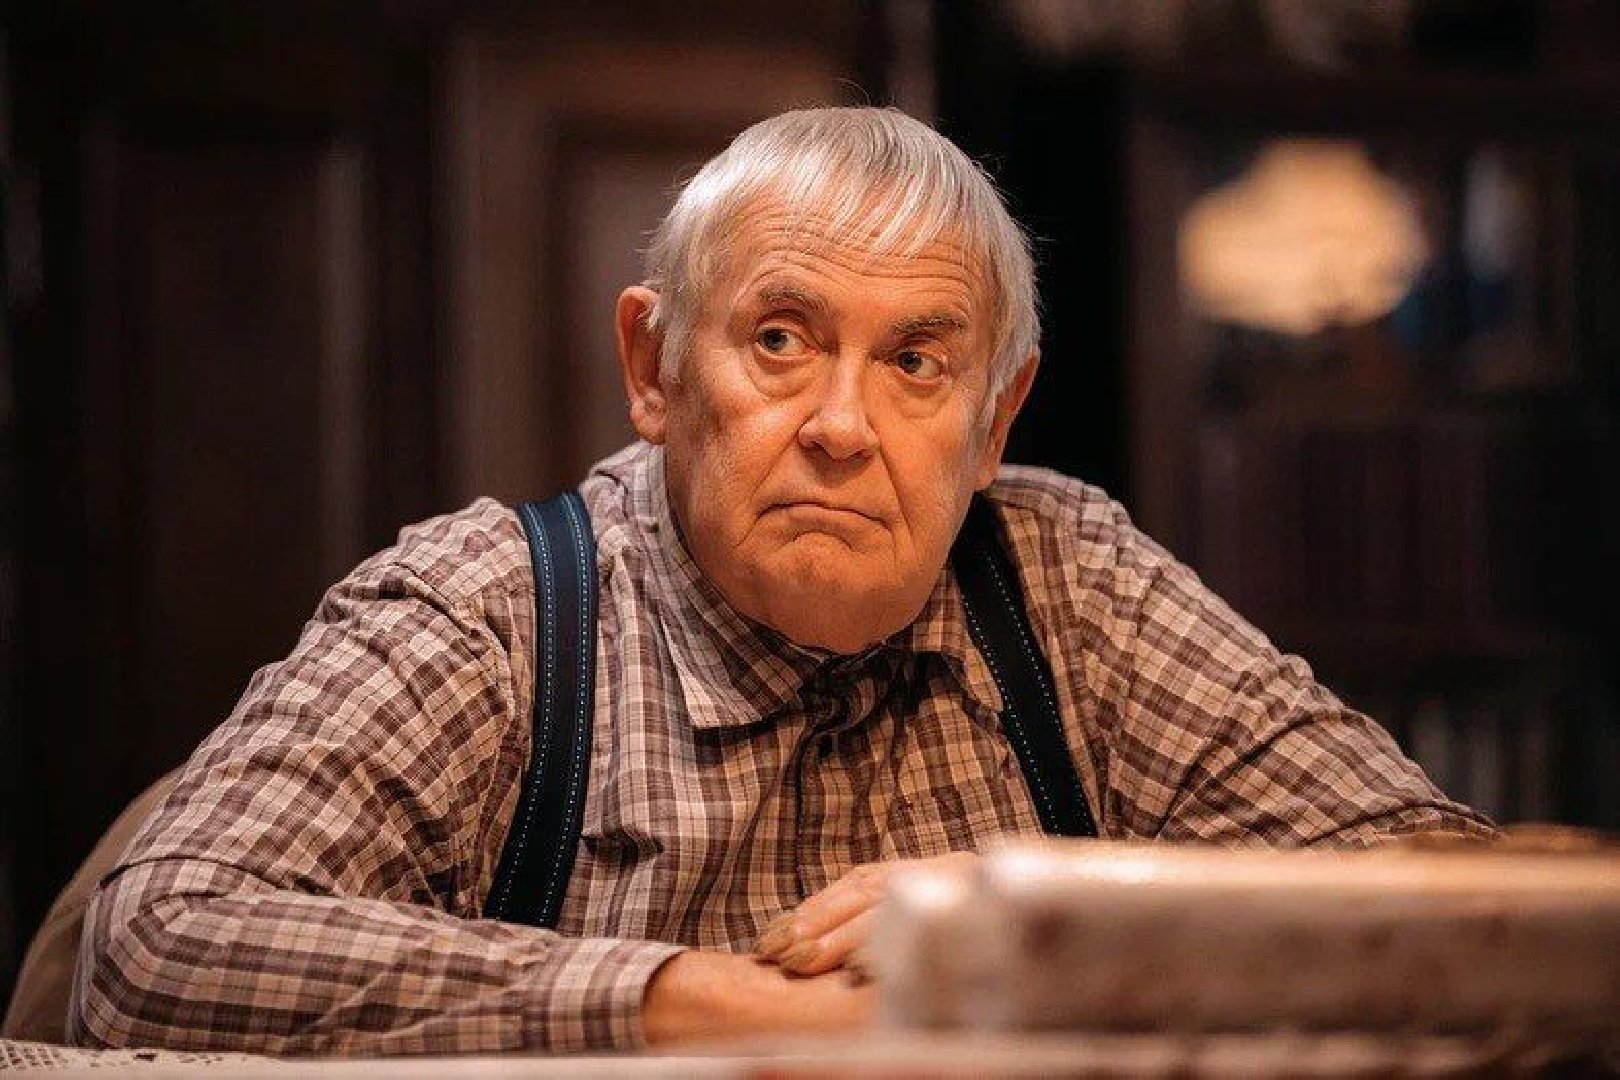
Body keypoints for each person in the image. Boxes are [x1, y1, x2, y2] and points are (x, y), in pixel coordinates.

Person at [71, 106, 1495, 1056]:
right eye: (781, 340)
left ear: (993, 421)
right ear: (654, 368)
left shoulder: (1067, 583)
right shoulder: (494, 612)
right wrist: (710, 1008)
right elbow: (157, 945)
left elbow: (1461, 896)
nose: (842, 424)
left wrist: (1053, 918)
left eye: (916, 362)